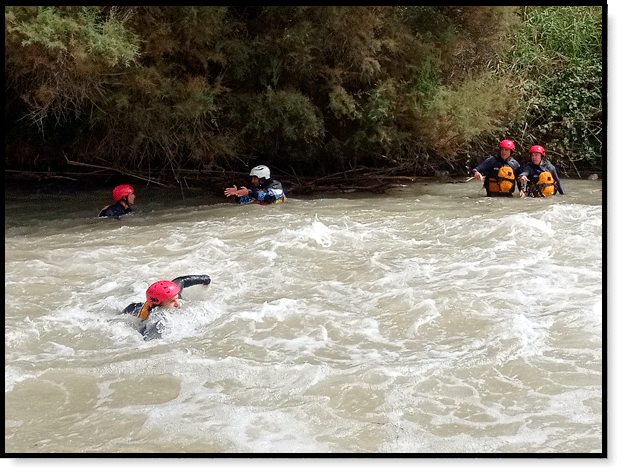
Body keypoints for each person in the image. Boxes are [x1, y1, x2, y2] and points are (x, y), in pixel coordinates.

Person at [123, 275, 211, 340]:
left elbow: (181, 281)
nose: (177, 304)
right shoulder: (153, 322)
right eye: (172, 301)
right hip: (134, 308)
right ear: (158, 305)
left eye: (177, 298)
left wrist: (205, 279)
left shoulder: (172, 295)